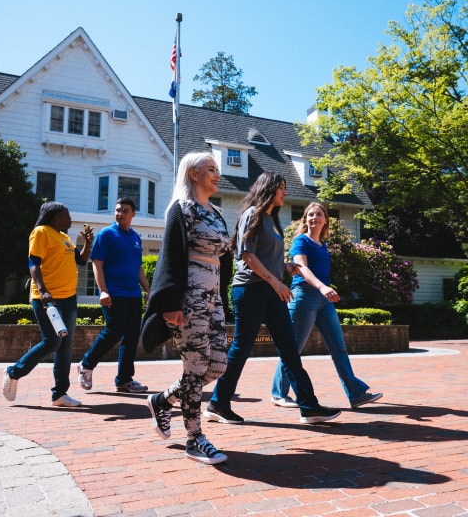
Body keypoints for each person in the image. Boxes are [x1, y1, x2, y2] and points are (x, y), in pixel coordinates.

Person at [204, 172, 341, 425]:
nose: (285, 192)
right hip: (251, 290)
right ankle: (218, 403)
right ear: (269, 188)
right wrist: (275, 281)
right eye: (282, 188)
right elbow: (247, 255)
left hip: (270, 290)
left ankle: (309, 407)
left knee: (289, 348)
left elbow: (264, 256)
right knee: (242, 348)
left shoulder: (270, 219)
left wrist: (284, 267)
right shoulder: (252, 214)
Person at [141, 152, 231, 465]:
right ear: (193, 174)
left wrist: (224, 299)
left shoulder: (216, 212)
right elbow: (169, 256)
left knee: (218, 366)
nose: (217, 174)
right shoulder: (182, 209)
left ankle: (162, 400)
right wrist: (168, 304)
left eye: (217, 170)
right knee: (195, 367)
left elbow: (225, 258)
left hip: (213, 298)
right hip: (189, 299)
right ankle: (195, 439)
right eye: (211, 170)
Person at [271, 202, 383, 408]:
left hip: (323, 301)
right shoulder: (300, 241)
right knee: (293, 349)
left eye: (318, 214)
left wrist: (323, 291)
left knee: (338, 347)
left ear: (325, 220)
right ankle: (279, 392)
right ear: (305, 219)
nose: (314, 217)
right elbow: (301, 267)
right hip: (303, 296)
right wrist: (322, 287)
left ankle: (356, 393)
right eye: (310, 214)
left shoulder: (323, 245)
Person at [2, 202, 92, 407]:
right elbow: (33, 262)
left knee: (65, 345)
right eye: (66, 215)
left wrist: (87, 242)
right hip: (48, 298)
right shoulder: (41, 232)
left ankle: (60, 394)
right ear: (54, 217)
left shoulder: (65, 237)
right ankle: (14, 371)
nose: (70, 218)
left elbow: (81, 260)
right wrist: (43, 290)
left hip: (68, 297)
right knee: (52, 341)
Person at [77, 197, 150, 393]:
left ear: (133, 214)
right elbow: (97, 263)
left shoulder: (135, 237)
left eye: (125, 210)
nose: (120, 213)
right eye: (118, 210)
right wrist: (103, 291)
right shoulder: (106, 234)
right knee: (113, 331)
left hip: (133, 294)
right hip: (114, 293)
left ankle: (124, 380)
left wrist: (147, 290)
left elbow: (138, 268)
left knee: (132, 336)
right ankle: (86, 364)